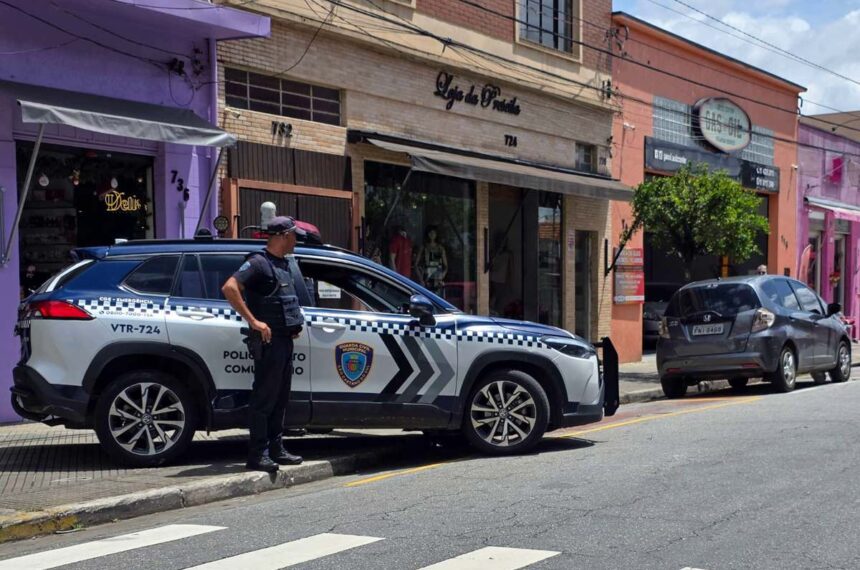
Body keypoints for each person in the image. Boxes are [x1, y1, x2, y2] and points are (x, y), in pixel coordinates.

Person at [222, 216, 314, 473]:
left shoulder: (283, 264)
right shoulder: (258, 263)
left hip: (284, 341)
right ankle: (258, 454)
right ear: (283, 235)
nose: (296, 239)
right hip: (269, 342)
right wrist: (254, 322)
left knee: (279, 399)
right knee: (264, 399)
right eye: (294, 235)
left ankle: (276, 449)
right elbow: (230, 288)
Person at [418, 225, 448, 295]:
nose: (432, 235)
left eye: (434, 233)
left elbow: (446, 266)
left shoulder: (440, 248)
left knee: (437, 300)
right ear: (427, 234)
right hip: (426, 278)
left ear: (436, 234)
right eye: (430, 233)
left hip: (437, 279)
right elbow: (416, 264)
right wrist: (421, 279)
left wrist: (442, 276)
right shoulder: (424, 247)